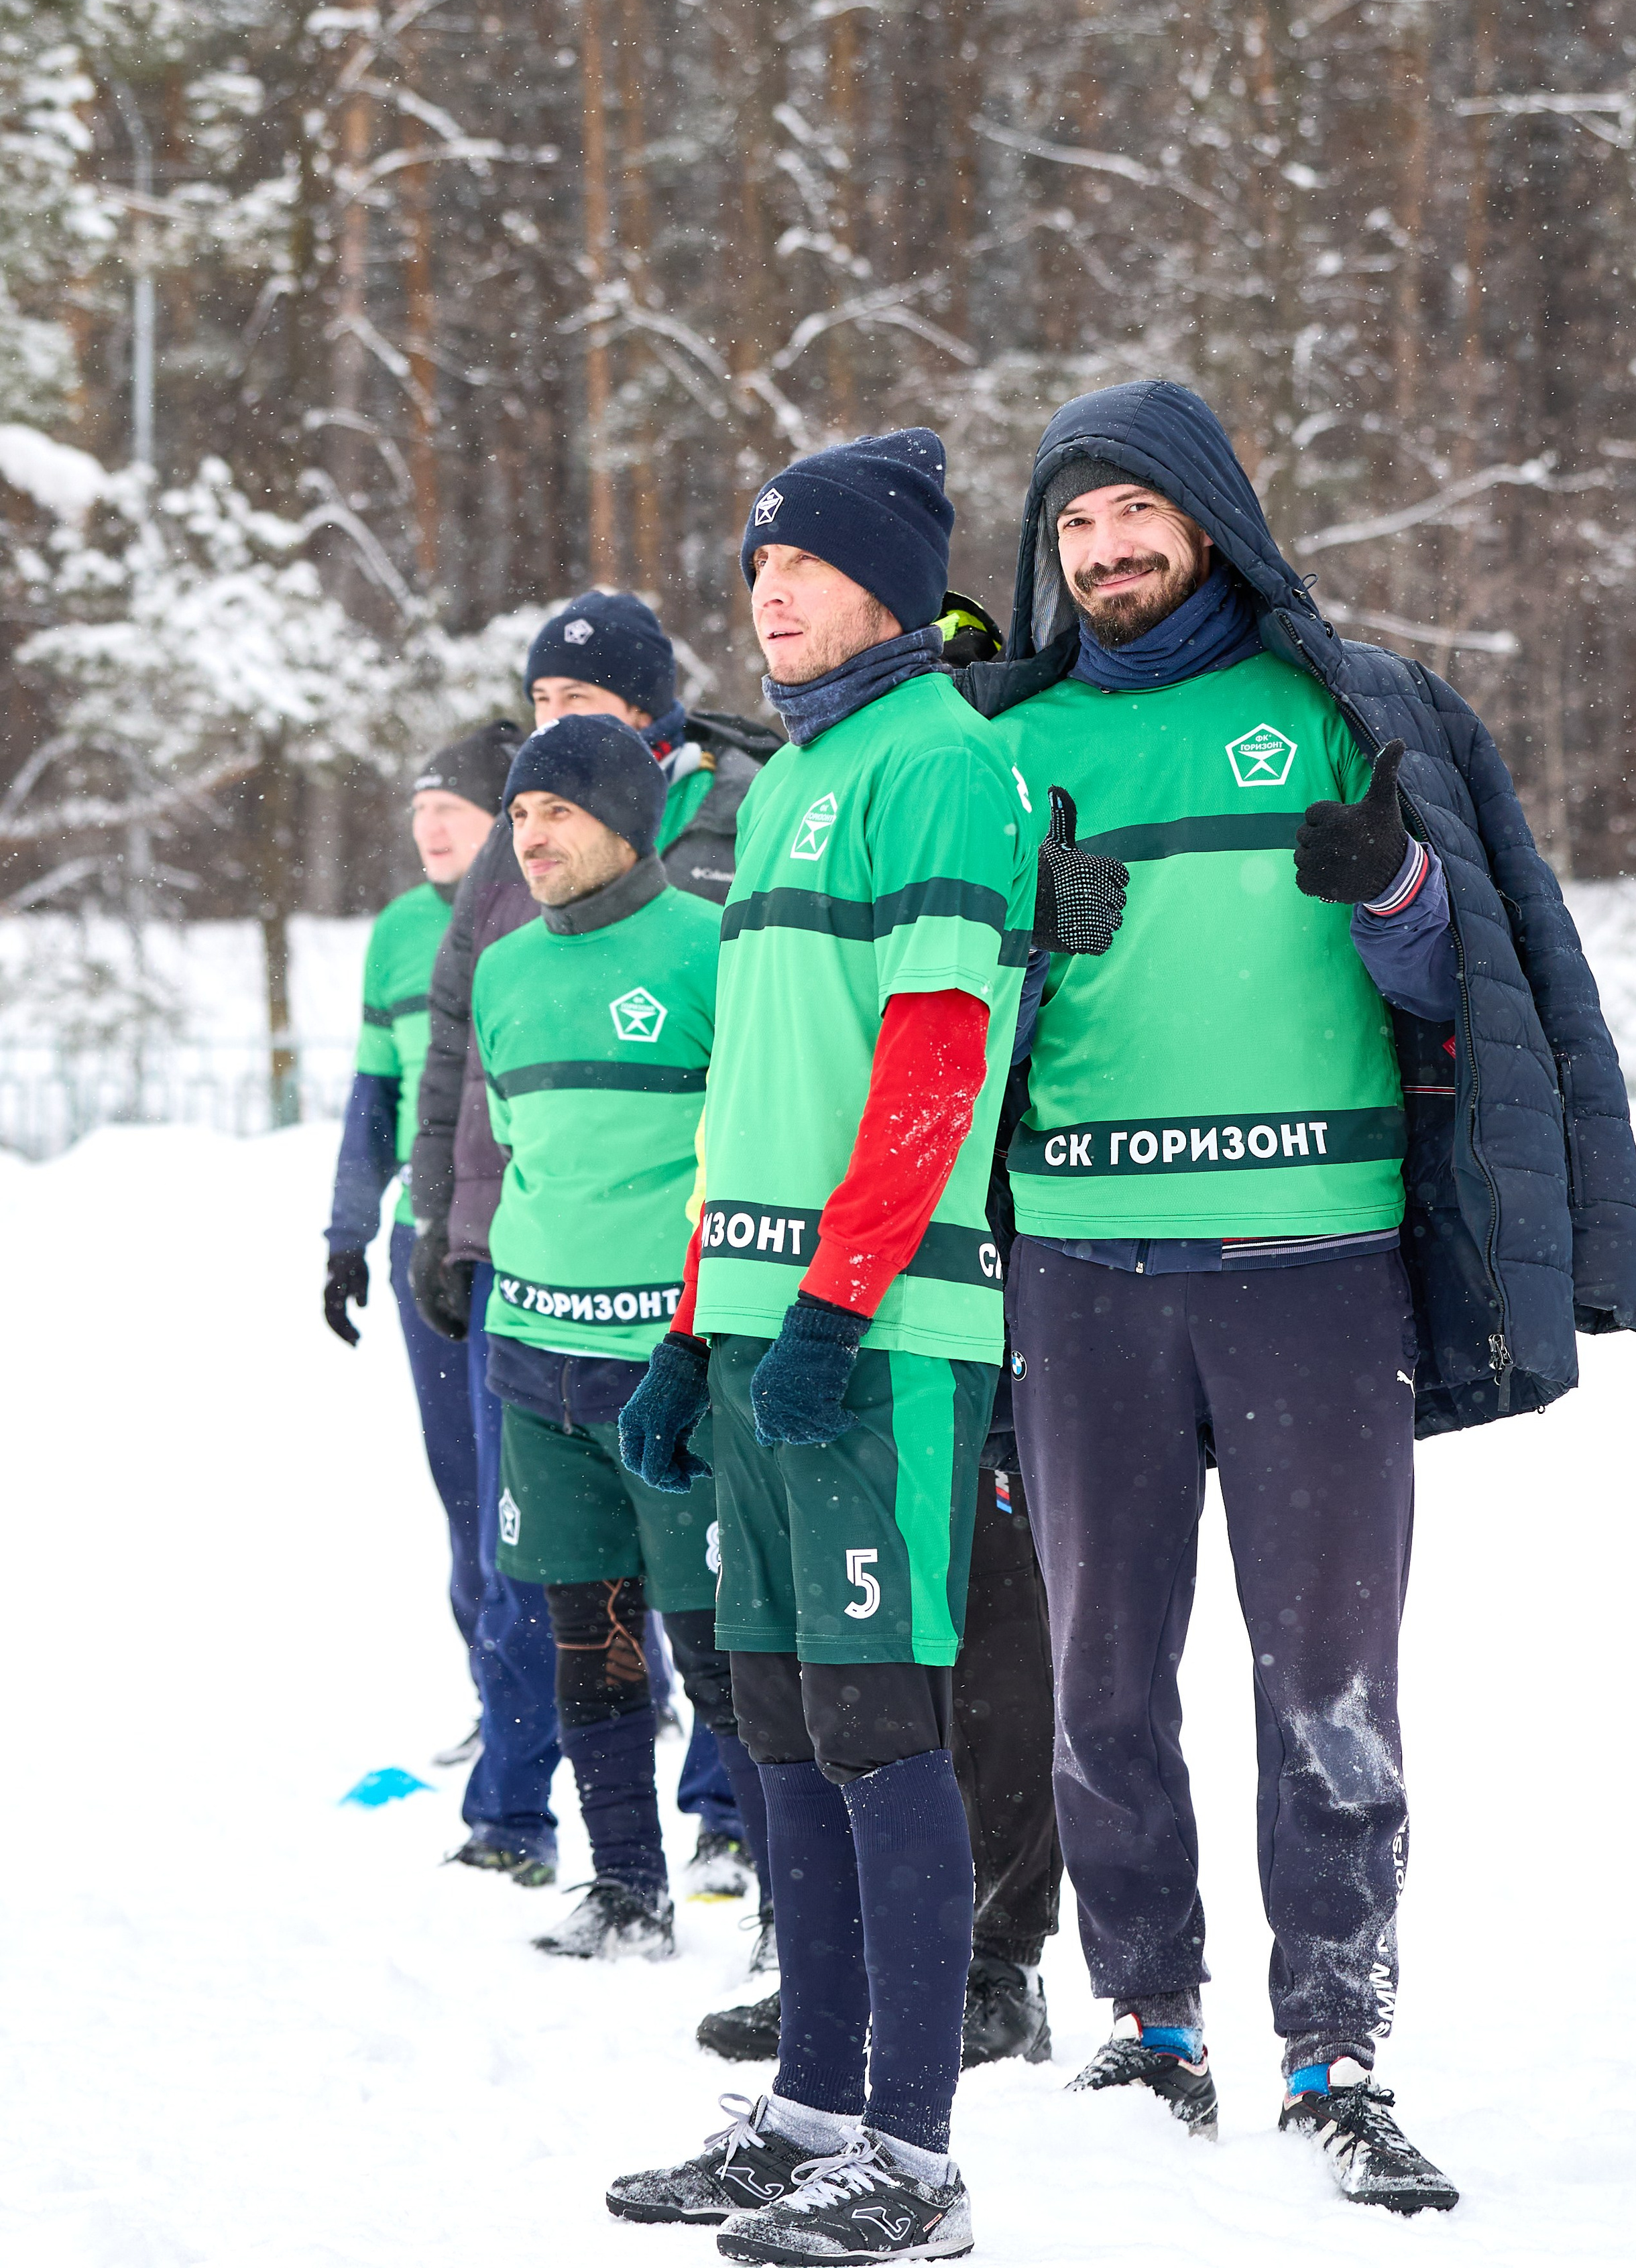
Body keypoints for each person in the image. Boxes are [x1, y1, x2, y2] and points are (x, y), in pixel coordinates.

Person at [957, 379, 1636, 2214]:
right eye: (1072, 531)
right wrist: (1030, 939)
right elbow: (945, 1031)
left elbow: (1455, 985)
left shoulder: (1343, 712)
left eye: (1132, 519)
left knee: (1327, 1675)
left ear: (1206, 518)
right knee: (1102, 1670)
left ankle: (1337, 2049)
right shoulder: (1001, 750)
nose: (1102, 554)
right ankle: (1150, 2024)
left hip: (1310, 1270)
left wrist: (1399, 887)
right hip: (1084, 1269)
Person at [605, 430, 1042, 2265]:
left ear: (893, 582)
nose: (766, 593)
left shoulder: (944, 764)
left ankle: (916, 2162)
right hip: (765, 1329)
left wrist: (841, 1304)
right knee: (778, 1728)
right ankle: (808, 2111)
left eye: (804, 565)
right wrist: (698, 1323)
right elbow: (750, 1092)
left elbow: (937, 1060)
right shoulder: (793, 781)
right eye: (754, 568)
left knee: (878, 1734)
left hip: (885, 1337)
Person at [410, 592, 776, 1889]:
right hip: (536, 1349)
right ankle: (626, 1883)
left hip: (669, 1353)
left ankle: (764, 1878)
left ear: (624, 816)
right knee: (585, 1630)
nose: (528, 837)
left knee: (721, 1637)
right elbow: (487, 1128)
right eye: (518, 812)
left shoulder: (710, 947)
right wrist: (452, 1240)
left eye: (554, 809)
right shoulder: (506, 963)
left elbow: (755, 1141)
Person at [321, 722, 517, 1760]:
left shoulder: (544, 908)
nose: (429, 827)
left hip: (527, 1240)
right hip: (424, 1240)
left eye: (454, 808)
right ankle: (498, 1691)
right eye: (419, 808)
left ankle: (628, 1677)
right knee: (462, 1481)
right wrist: (348, 1233)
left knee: (545, 1484)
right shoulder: (399, 928)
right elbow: (374, 1092)